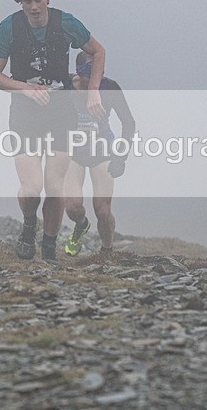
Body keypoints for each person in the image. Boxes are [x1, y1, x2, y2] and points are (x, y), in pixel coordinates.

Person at [0, 0, 106, 261]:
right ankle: (29, 225)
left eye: (39, 0)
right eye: (27, 2)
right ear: (21, 2)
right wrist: (24, 88)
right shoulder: (8, 28)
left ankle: (49, 248)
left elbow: (98, 51)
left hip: (61, 110)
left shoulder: (66, 23)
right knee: (32, 188)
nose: (34, 7)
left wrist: (93, 91)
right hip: (25, 111)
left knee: (55, 186)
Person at [63, 51, 135, 258]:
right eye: (88, 75)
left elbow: (128, 122)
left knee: (102, 210)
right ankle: (81, 225)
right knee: (73, 206)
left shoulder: (110, 87)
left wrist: (121, 156)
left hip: (102, 151)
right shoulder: (66, 85)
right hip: (73, 153)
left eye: (98, 74)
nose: (93, 80)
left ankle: (107, 250)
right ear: (78, 73)